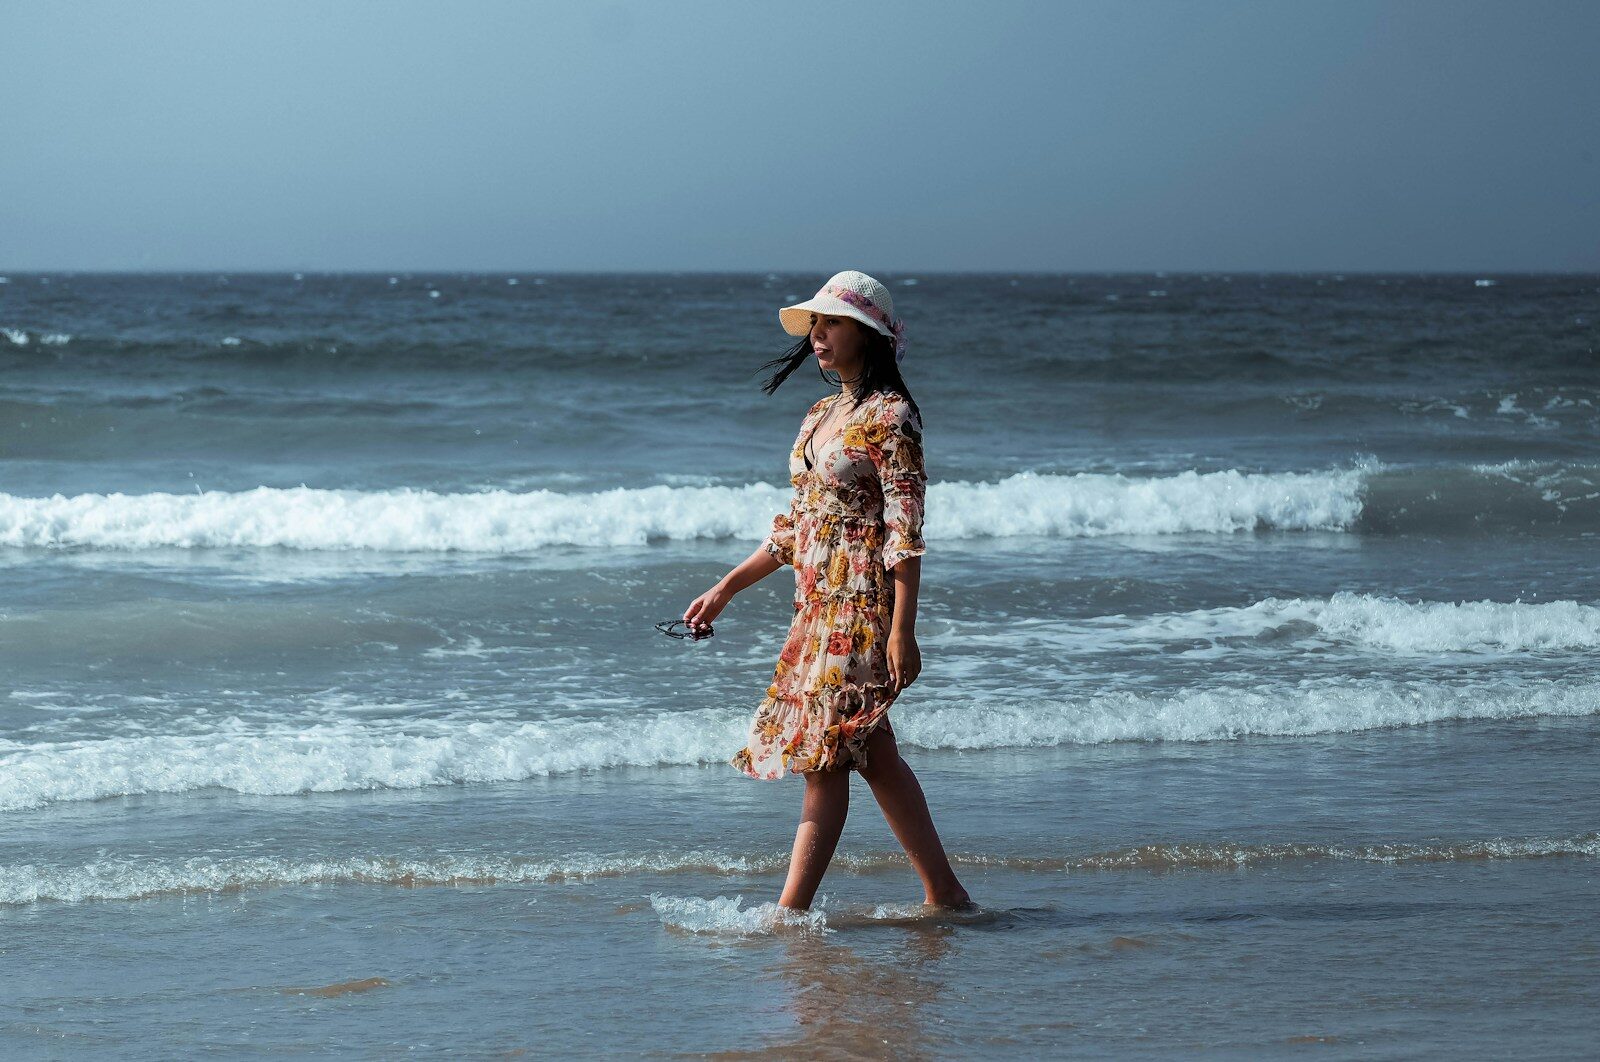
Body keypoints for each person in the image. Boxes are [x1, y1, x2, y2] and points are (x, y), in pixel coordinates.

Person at [683, 270, 972, 913]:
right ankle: (945, 894)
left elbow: (905, 529)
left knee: (829, 758)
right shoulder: (821, 414)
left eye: (831, 322)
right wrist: (725, 588)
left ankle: (791, 912)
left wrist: (903, 629)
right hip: (816, 610)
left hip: (862, 607)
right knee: (872, 753)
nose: (818, 334)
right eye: (815, 322)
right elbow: (796, 529)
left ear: (866, 333)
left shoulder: (891, 416)